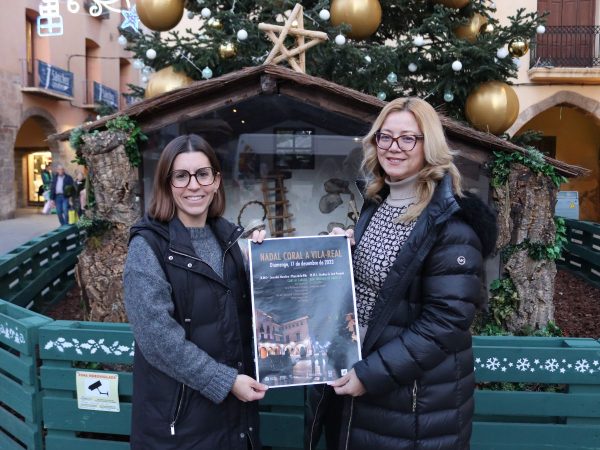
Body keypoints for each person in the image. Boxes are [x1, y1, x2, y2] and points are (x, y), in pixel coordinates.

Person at [306, 97, 497, 450]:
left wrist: (369, 375)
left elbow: (446, 321)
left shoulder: (451, 223)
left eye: (408, 138)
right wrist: (342, 257)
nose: (394, 148)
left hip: (412, 404)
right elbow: (382, 289)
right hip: (362, 386)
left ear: (430, 145)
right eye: (385, 136)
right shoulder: (377, 203)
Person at [123, 134, 268, 450]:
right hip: (178, 423)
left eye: (203, 174)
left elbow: (260, 310)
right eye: (181, 176)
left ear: (216, 181)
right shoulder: (148, 247)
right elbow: (157, 339)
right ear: (167, 183)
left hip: (235, 419)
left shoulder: (230, 242)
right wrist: (226, 382)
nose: (194, 185)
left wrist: (268, 259)